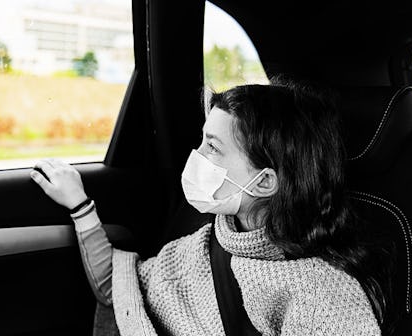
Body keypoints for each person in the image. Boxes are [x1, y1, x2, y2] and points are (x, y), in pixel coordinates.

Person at [30, 83, 388, 336]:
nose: (197, 157)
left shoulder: (323, 295)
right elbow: (120, 291)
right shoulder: (209, 240)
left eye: (213, 148)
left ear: (264, 182)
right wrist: (79, 205)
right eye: (202, 140)